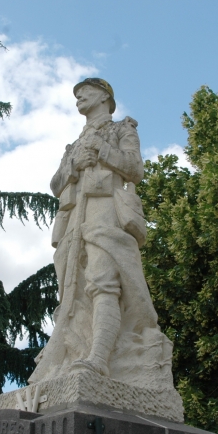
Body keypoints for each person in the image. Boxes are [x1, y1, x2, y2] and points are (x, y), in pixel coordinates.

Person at [28, 78, 174, 391]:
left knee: (102, 281)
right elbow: (56, 185)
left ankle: (100, 358)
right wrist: (73, 167)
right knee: (74, 290)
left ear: (105, 95)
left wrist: (103, 151)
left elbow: (135, 169)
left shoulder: (122, 129)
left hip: (105, 209)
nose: (78, 96)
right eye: (76, 94)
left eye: (85, 91)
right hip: (73, 220)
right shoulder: (73, 144)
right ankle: (72, 352)